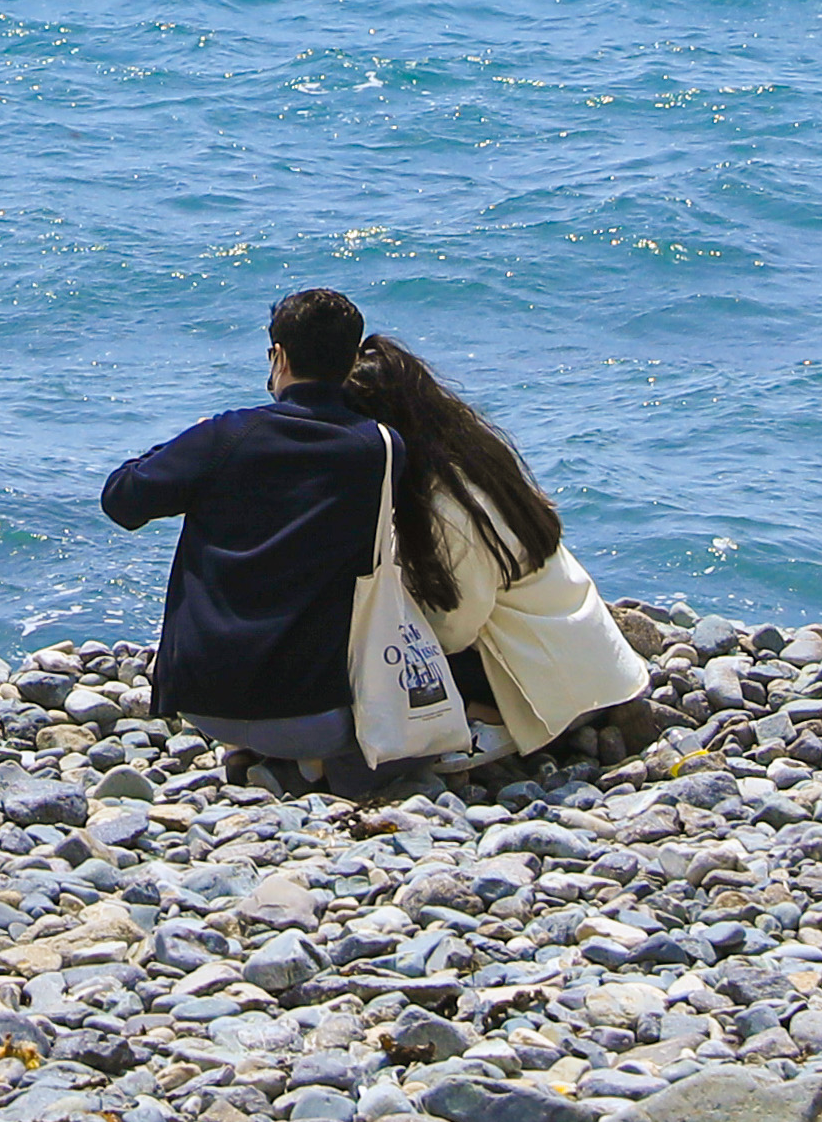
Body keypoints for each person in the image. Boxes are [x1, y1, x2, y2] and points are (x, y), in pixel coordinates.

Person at [100, 285, 657, 785]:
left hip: (202, 699)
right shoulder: (411, 458)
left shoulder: (232, 435)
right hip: (341, 711)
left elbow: (122, 498)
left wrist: (192, 446)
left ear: (279, 357)